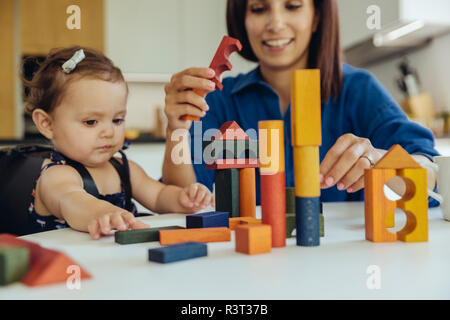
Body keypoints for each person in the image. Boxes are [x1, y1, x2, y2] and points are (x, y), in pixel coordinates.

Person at [162, 0, 439, 205]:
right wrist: (176, 129)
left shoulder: (358, 89)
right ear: (242, 19)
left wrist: (381, 161)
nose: (275, 23)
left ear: (316, 16)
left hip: (339, 263)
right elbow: (184, 199)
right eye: (259, 9)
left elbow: (431, 174)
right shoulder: (219, 100)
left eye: (292, 6)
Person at [22, 46, 214, 239]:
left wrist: (184, 199)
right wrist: (101, 213)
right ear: (47, 124)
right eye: (91, 122)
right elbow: (71, 201)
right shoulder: (55, 176)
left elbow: (158, 196)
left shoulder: (124, 168)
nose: (109, 132)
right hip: (65, 266)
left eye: (117, 120)